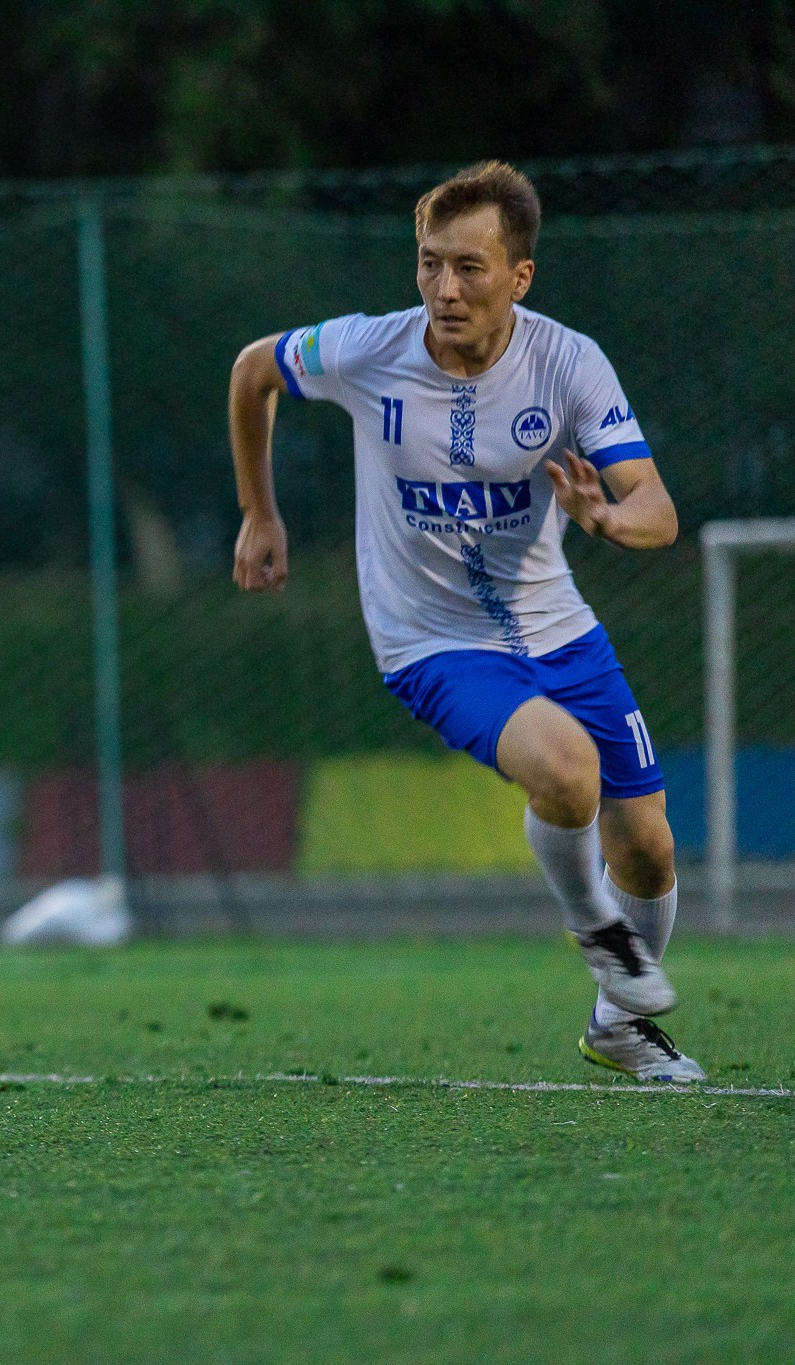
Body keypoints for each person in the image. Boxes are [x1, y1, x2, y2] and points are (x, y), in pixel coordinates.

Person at [226, 160, 702, 1082]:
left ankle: (620, 1024)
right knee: (568, 771)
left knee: (646, 845)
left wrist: (605, 516)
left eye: (469, 268)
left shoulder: (568, 362)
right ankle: (599, 934)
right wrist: (260, 511)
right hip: (432, 643)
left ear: (518, 277)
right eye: (429, 263)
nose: (445, 289)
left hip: (559, 627)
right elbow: (254, 373)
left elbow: (659, 507)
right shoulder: (371, 349)